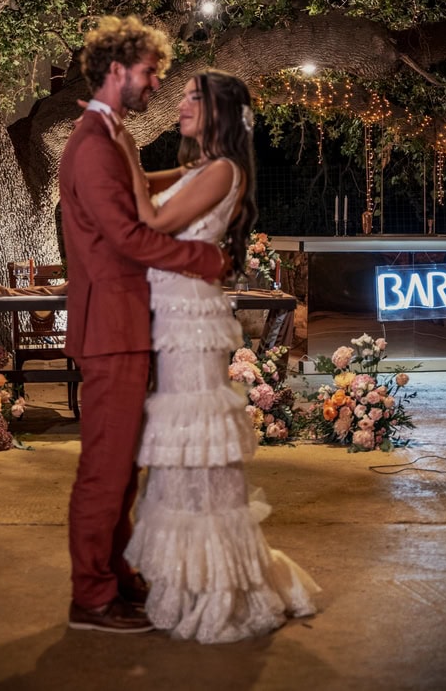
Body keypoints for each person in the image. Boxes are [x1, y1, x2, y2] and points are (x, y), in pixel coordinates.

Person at [104, 69, 320, 643]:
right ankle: (190, 577)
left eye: (193, 98)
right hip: (171, 312)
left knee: (194, 436)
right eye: (182, 95)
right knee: (182, 443)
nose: (180, 104)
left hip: (191, 320)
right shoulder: (198, 168)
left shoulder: (222, 170)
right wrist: (116, 146)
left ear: (220, 112)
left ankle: (218, 585)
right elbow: (139, 185)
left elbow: (153, 220)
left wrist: (121, 145)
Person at [59, 17, 231, 635]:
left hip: (126, 325)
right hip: (111, 329)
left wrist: (188, 176)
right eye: (150, 72)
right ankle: (91, 596)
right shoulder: (92, 144)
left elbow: (131, 197)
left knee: (122, 466)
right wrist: (205, 259)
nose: (157, 83)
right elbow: (129, 237)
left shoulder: (110, 136)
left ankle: (115, 575)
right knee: (105, 468)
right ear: (116, 71)